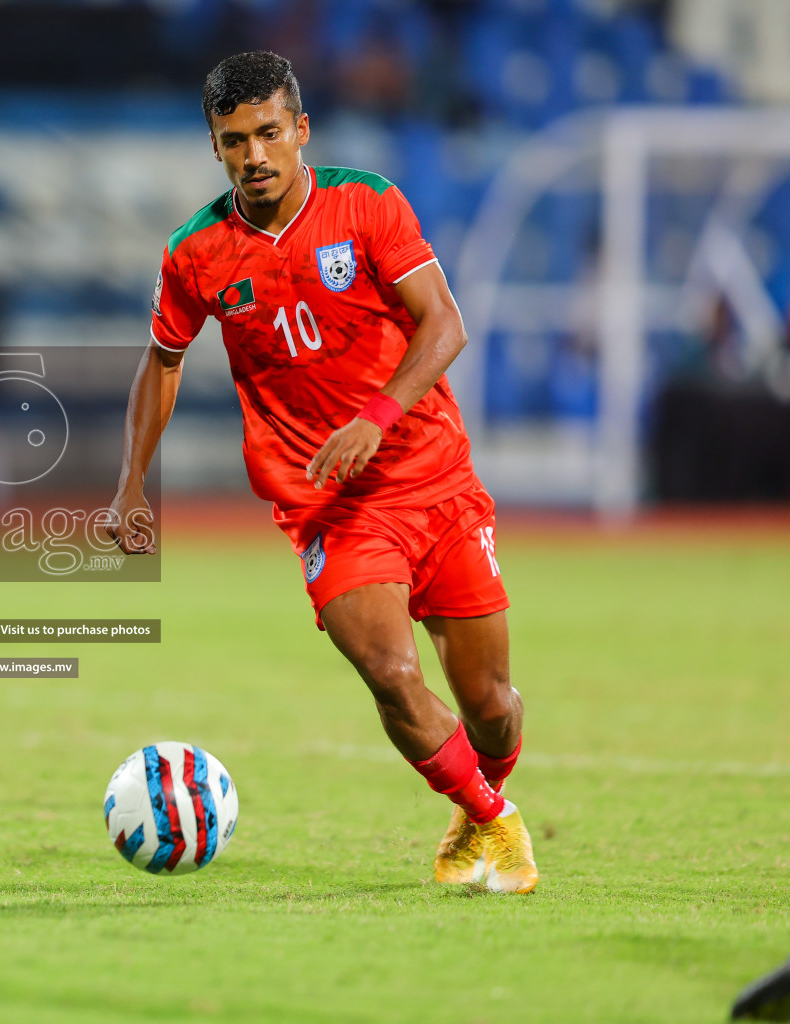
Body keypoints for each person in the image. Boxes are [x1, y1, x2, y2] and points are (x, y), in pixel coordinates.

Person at [105, 52, 536, 892]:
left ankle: (479, 798)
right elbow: (161, 361)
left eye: (269, 133)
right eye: (234, 142)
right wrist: (130, 482)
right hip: (328, 506)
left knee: (490, 702)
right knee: (388, 670)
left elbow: (443, 326)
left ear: (301, 131)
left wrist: (376, 418)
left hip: (435, 477)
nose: (254, 155)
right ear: (216, 148)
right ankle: (496, 820)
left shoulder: (367, 205)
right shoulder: (196, 253)